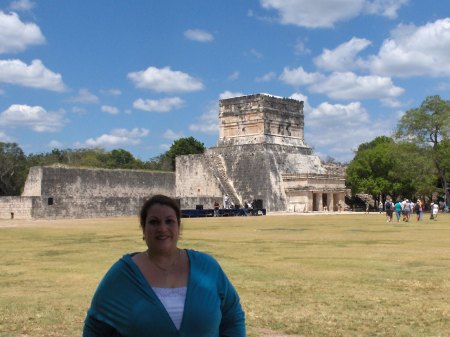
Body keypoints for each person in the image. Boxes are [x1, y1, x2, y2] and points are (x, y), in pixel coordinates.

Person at [83, 194, 246, 337]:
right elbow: (96, 327)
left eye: (169, 221)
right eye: (154, 222)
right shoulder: (123, 275)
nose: (162, 228)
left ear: (179, 227)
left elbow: (232, 315)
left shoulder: (207, 267)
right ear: (143, 228)